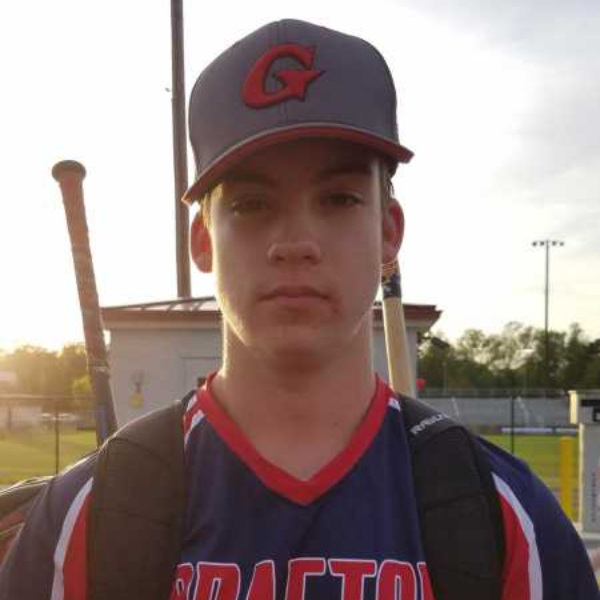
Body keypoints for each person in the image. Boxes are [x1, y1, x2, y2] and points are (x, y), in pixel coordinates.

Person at [0, 18, 597, 600]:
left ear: (388, 232)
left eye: (338, 199)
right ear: (202, 241)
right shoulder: (86, 519)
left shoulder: (507, 520)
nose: (295, 242)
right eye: (252, 204)